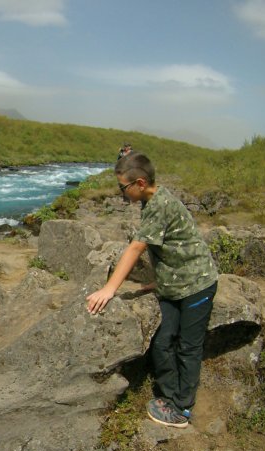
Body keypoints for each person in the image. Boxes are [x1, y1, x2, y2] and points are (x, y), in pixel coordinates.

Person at [86, 152, 219, 428]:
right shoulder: (152, 201)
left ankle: (182, 410)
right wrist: (160, 281)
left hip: (197, 285)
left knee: (188, 347)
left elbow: (136, 248)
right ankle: (170, 396)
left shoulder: (160, 205)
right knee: (162, 341)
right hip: (173, 285)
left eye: (124, 188)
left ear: (141, 183)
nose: (122, 193)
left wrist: (110, 288)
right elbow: (175, 244)